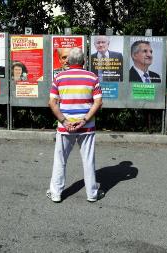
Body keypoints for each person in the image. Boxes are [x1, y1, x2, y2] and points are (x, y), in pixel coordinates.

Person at [47, 47, 104, 203]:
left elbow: (52, 102)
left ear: (68, 61)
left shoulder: (59, 77)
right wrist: (85, 119)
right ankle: (92, 194)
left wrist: (65, 121)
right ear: (84, 62)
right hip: (87, 127)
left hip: (65, 127)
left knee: (60, 159)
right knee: (88, 160)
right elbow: (98, 102)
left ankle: (56, 193)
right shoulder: (92, 77)